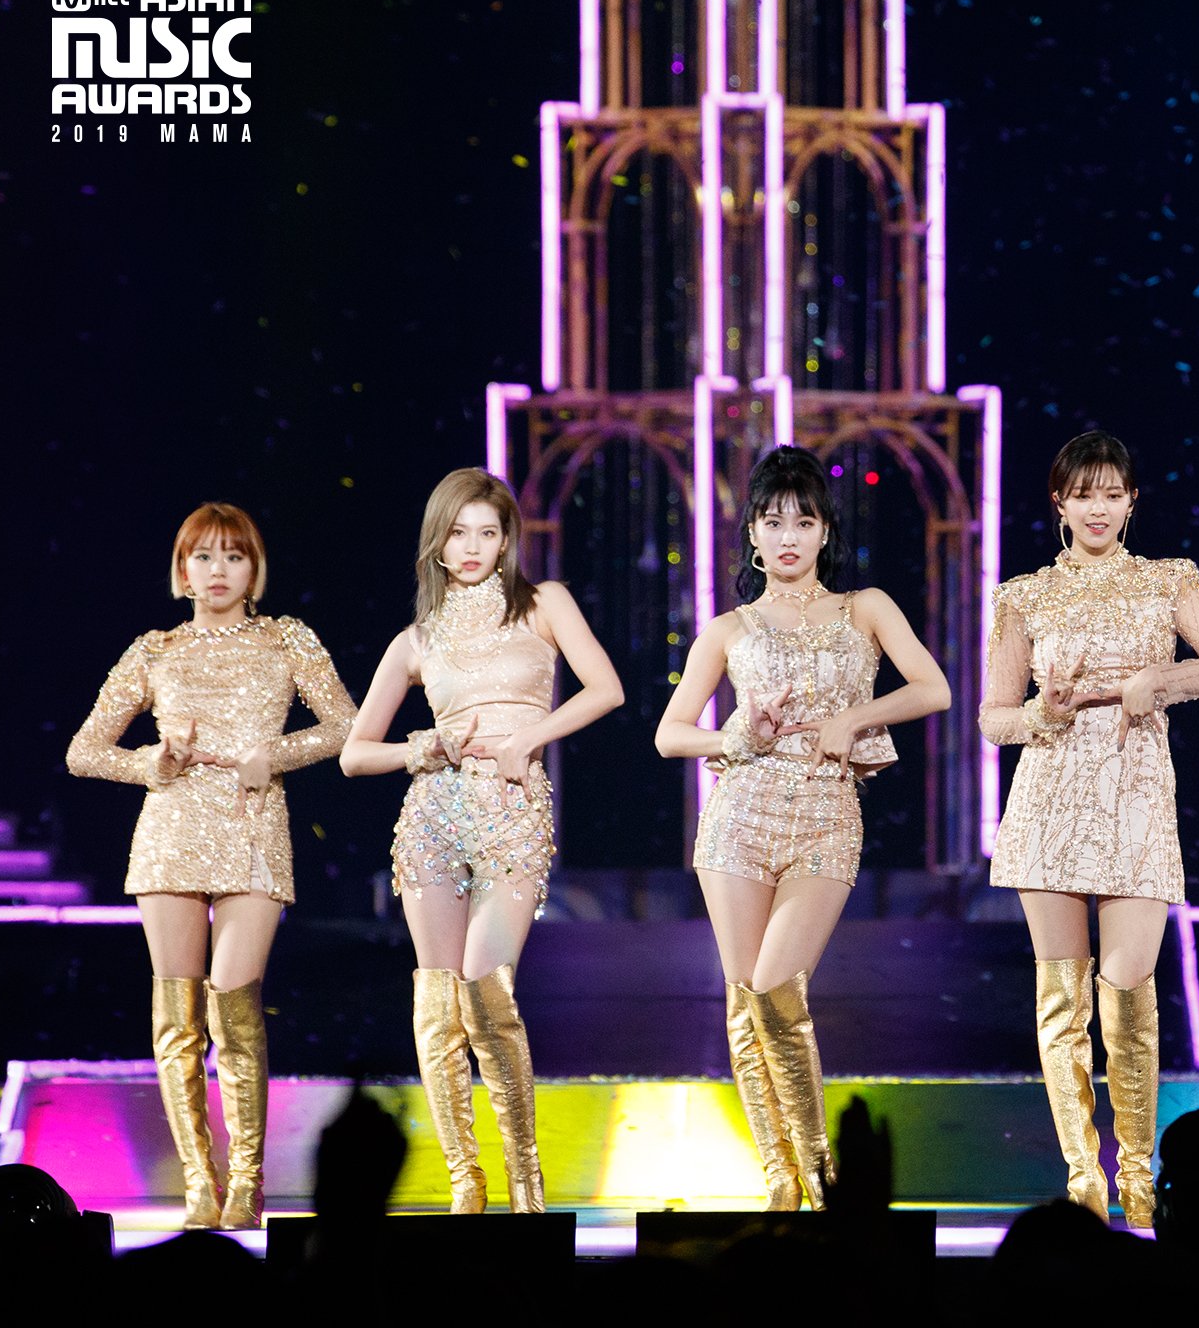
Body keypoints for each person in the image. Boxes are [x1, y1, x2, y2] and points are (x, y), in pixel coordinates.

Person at [656, 446, 951, 1210]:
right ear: (753, 533)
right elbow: (670, 734)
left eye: (804, 521)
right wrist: (736, 735)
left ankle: (823, 1182)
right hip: (739, 817)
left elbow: (933, 688)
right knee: (744, 1000)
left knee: (776, 989)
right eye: (773, 520)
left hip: (826, 814)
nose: (788, 536)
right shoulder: (728, 629)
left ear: (825, 531)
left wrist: (855, 718)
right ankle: (781, 1183)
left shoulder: (866, 608)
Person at [977, 432, 1199, 1225]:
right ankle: (1081, 1179)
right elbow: (993, 718)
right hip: (1051, 795)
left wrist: (1158, 679)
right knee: (1062, 1003)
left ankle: (1138, 1174)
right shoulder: (1023, 596)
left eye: (1111, 493)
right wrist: (1041, 713)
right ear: (1058, 503)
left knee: (1129, 991)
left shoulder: (1169, 580)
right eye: (1082, 494)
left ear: (1132, 501)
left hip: (1135, 792)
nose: (1097, 508)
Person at [65, 503, 358, 1229]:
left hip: (252, 827)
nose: (218, 570)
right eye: (203, 556)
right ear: (182, 570)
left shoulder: (287, 639)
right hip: (171, 831)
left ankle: (247, 1182)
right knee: (178, 1018)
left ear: (254, 569)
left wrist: (274, 754)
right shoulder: (154, 650)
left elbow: (347, 725)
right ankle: (200, 1182)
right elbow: (83, 751)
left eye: (233, 555)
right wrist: (151, 762)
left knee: (234, 1001)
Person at [341, 469, 624, 1212]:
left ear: (506, 541)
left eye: (487, 533)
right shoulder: (417, 637)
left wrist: (529, 738)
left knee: (485, 989)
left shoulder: (543, 604)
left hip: (512, 809)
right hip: (433, 815)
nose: (472, 547)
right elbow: (353, 753)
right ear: (437, 544)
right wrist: (424, 747)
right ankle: (466, 1182)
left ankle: (526, 1179)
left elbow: (606, 689)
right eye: (458, 532)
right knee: (438, 1002)